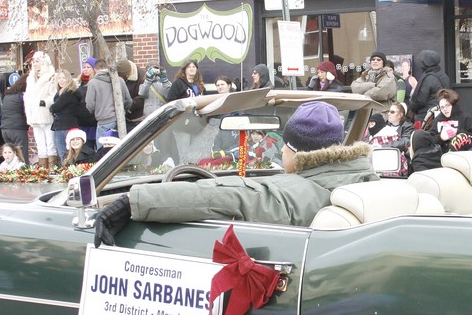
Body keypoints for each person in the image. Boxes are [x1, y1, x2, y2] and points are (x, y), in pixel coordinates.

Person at [92, 101, 378, 245]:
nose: (280, 154)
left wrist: (133, 202)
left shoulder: (299, 191)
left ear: (295, 151)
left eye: (285, 148)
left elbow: (231, 195)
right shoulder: (364, 179)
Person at [86, 59, 132, 148]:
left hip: (103, 121)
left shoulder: (93, 83)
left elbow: (89, 104)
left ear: (95, 69)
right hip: (121, 121)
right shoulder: (119, 80)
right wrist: (123, 110)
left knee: (103, 153)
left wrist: (96, 112)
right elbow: (128, 101)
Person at [24, 51, 59, 168]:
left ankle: (52, 168)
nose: (35, 64)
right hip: (34, 115)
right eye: (33, 61)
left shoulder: (51, 76)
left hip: (46, 114)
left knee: (50, 144)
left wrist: (44, 103)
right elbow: (28, 96)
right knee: (40, 145)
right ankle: (43, 169)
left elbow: (54, 95)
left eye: (37, 61)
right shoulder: (30, 78)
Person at [427, 88, 472, 152]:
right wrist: (441, 137)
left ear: (453, 105)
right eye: (442, 107)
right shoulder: (437, 120)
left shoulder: (465, 118)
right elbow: (430, 140)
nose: (445, 109)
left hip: (462, 155)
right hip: (441, 156)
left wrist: (457, 132)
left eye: (448, 105)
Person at [49, 69, 83, 162]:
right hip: (59, 125)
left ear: (68, 79)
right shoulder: (59, 93)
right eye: (59, 78)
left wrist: (52, 108)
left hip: (67, 126)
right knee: (61, 153)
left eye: (64, 78)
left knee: (67, 153)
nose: (61, 80)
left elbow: (54, 107)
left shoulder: (69, 92)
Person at [407, 50, 450, 121]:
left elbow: (419, 100)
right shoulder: (444, 75)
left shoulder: (428, 77)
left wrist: (411, 105)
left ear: (425, 62)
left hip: (427, 116)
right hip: (442, 112)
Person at [0, 74, 29, 159]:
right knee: (22, 155)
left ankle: (10, 172)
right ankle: (23, 172)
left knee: (9, 156)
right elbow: (26, 109)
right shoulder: (22, 96)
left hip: (5, 129)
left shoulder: (7, 95)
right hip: (18, 129)